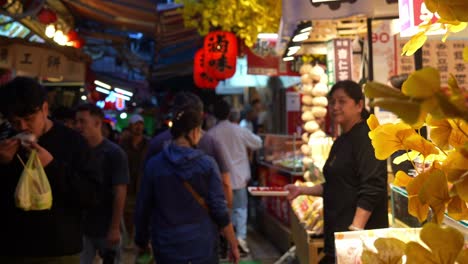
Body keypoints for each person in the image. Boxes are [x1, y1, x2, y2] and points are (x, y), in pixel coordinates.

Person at [285, 80, 388, 263]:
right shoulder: (342, 140)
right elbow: (336, 184)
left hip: (359, 242)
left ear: (359, 105)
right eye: (332, 102)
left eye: (342, 101)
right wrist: (302, 190)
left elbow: (372, 186)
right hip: (339, 236)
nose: (335, 107)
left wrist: (356, 231)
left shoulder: (369, 137)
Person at [0, 77, 100, 263]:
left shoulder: (73, 142)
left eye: (29, 119)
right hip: (10, 248)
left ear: (45, 109)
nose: (22, 127)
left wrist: (51, 165)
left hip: (58, 250)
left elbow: (91, 195)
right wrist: (3, 163)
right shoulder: (4, 140)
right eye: (15, 122)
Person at [134, 106, 240, 264]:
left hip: (166, 246)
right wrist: (233, 244)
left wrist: (141, 240)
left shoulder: (154, 165)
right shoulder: (207, 164)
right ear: (194, 132)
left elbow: (143, 207)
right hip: (201, 246)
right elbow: (219, 208)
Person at [75, 104, 129, 264]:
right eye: (76, 121)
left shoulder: (114, 153)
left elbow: (120, 192)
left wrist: (114, 228)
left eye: (82, 121)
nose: (78, 126)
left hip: (106, 226)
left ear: (97, 123)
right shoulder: (78, 151)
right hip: (82, 227)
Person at [207, 99, 263, 255]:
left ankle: (224, 241)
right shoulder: (238, 130)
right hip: (239, 179)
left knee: (224, 212)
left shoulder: (211, 134)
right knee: (240, 210)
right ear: (229, 113)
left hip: (219, 182)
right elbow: (257, 142)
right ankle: (240, 240)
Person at [120, 114, 149, 244]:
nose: (138, 127)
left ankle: (140, 242)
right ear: (130, 126)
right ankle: (128, 240)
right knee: (127, 215)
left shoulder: (149, 144)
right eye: (136, 124)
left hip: (143, 186)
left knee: (143, 215)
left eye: (141, 124)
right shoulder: (123, 144)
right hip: (127, 185)